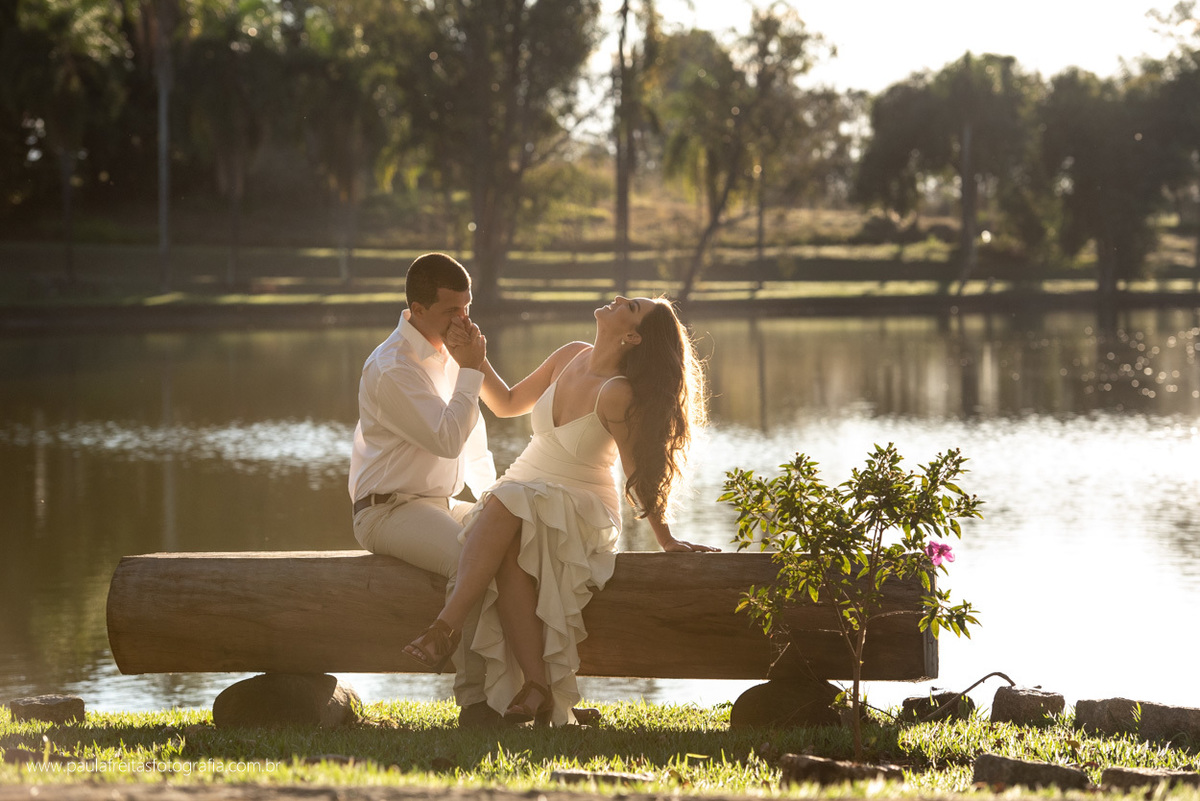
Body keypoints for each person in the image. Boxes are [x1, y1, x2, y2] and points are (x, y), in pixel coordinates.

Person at [403, 294, 717, 726]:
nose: (619, 298)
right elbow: (506, 403)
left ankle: (445, 627)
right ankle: (537, 686)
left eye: (631, 307)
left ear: (632, 337)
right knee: (506, 542)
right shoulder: (569, 354)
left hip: (579, 505)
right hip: (521, 492)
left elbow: (637, 472)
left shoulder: (618, 392)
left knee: (505, 501)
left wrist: (665, 537)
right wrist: (473, 359)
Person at [347, 252, 499, 728]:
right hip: (387, 510)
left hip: (439, 503)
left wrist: (495, 501)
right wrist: (472, 369)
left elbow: (472, 442)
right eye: (451, 311)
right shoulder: (393, 366)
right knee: (471, 556)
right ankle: (476, 705)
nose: (463, 321)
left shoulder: (449, 355)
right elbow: (447, 438)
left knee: (513, 537)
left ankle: (522, 691)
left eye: (467, 308)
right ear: (417, 308)